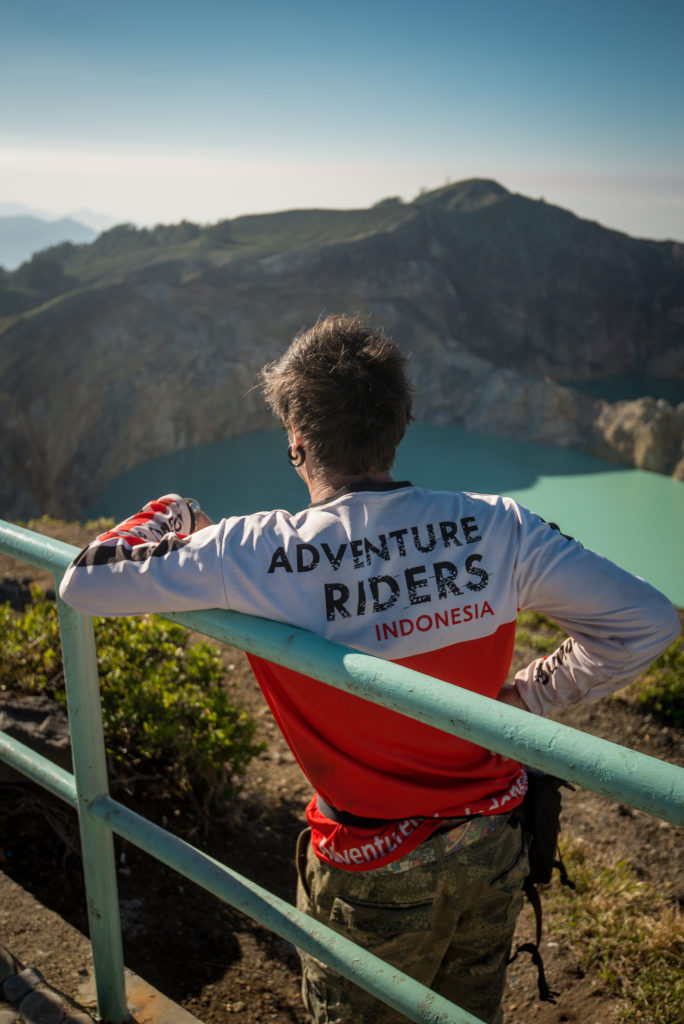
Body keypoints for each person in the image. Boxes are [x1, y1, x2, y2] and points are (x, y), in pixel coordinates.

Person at [59, 314, 680, 1024]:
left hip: (372, 866)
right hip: (494, 842)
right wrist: (525, 700)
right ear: (400, 426)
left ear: (297, 444)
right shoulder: (501, 525)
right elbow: (647, 623)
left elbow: (85, 580)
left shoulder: (251, 552)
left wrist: (176, 510)